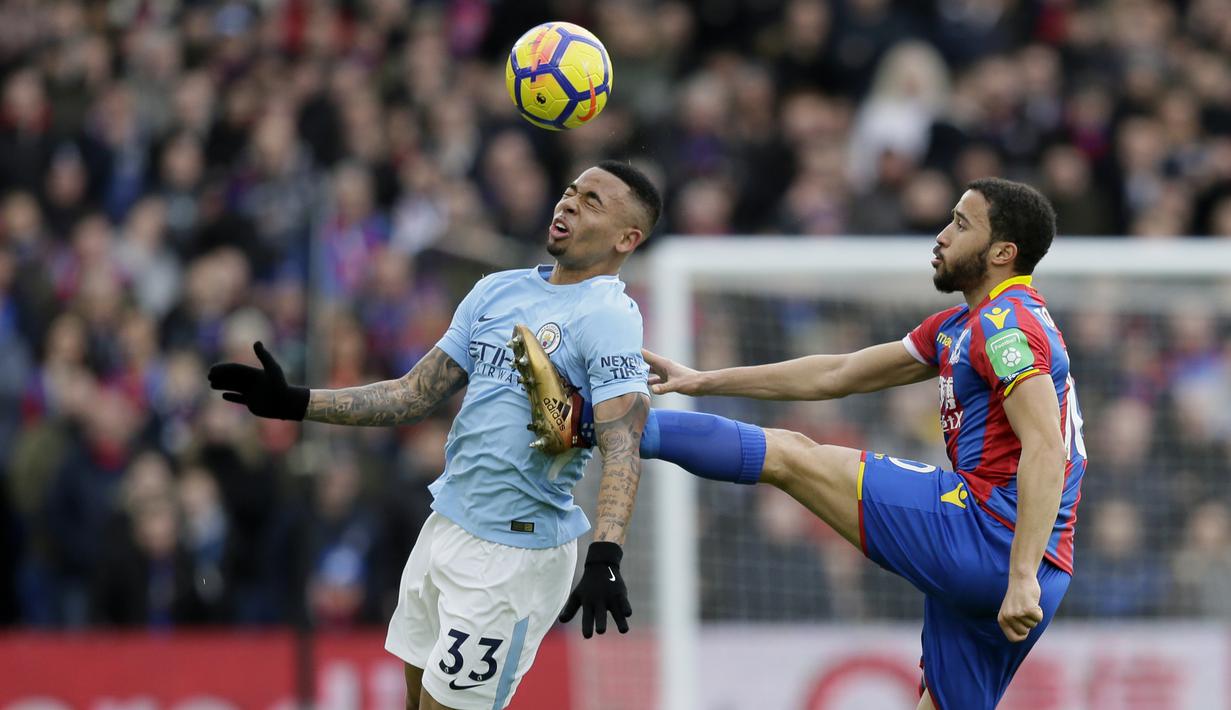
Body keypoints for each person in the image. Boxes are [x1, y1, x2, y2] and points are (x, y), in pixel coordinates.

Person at [540, 177, 1085, 710]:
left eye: (961, 225)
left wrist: (1017, 577)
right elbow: (837, 373)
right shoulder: (962, 325)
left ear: (1001, 253)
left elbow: (1045, 449)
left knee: (790, 455)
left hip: (993, 538)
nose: (942, 234)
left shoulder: (1006, 326)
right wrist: (703, 379)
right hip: (1035, 563)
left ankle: (580, 424)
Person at [207, 160, 661, 710]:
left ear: (626, 238)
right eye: (570, 191)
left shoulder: (608, 316)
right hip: (446, 524)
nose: (568, 203)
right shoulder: (497, 290)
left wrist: (606, 553)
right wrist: (296, 402)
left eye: (593, 201)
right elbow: (414, 393)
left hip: (513, 555)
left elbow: (622, 440)